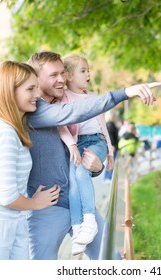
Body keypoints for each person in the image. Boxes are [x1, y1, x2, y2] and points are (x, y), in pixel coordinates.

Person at [25, 51, 161, 260]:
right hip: (48, 209)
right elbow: (76, 112)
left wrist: (97, 167)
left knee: (111, 260)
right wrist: (125, 92)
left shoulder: (64, 102)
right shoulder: (36, 110)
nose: (61, 79)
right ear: (36, 77)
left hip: (78, 203)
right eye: (54, 75)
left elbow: (80, 153)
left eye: (63, 73)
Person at [0, 61, 61, 260]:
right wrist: (35, 203)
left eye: (37, 87)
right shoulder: (4, 132)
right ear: (10, 91)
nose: (37, 94)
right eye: (30, 89)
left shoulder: (13, 130)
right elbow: (7, 197)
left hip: (13, 223)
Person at [57, 53, 115, 255]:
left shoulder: (93, 99)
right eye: (83, 70)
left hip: (95, 140)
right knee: (74, 180)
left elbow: (102, 125)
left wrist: (109, 150)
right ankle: (78, 228)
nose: (88, 74)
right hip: (79, 143)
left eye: (88, 70)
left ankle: (89, 220)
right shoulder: (64, 99)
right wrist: (72, 144)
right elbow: (61, 126)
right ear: (69, 76)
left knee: (81, 173)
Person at [104, 115, 119, 182]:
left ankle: (108, 177)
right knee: (110, 161)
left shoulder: (110, 124)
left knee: (110, 162)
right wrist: (112, 145)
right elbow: (110, 135)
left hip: (112, 146)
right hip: (112, 146)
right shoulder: (110, 124)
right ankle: (108, 177)